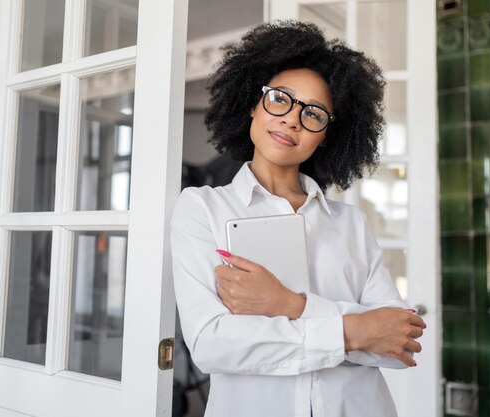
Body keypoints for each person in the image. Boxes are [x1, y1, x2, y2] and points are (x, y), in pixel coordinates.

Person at [170, 21, 425, 417]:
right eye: (279, 99)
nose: (292, 119)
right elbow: (213, 343)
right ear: (253, 104)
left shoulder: (351, 224)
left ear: (326, 135)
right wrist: (355, 332)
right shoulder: (202, 208)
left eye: (314, 114)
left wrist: (290, 305)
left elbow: (399, 343)